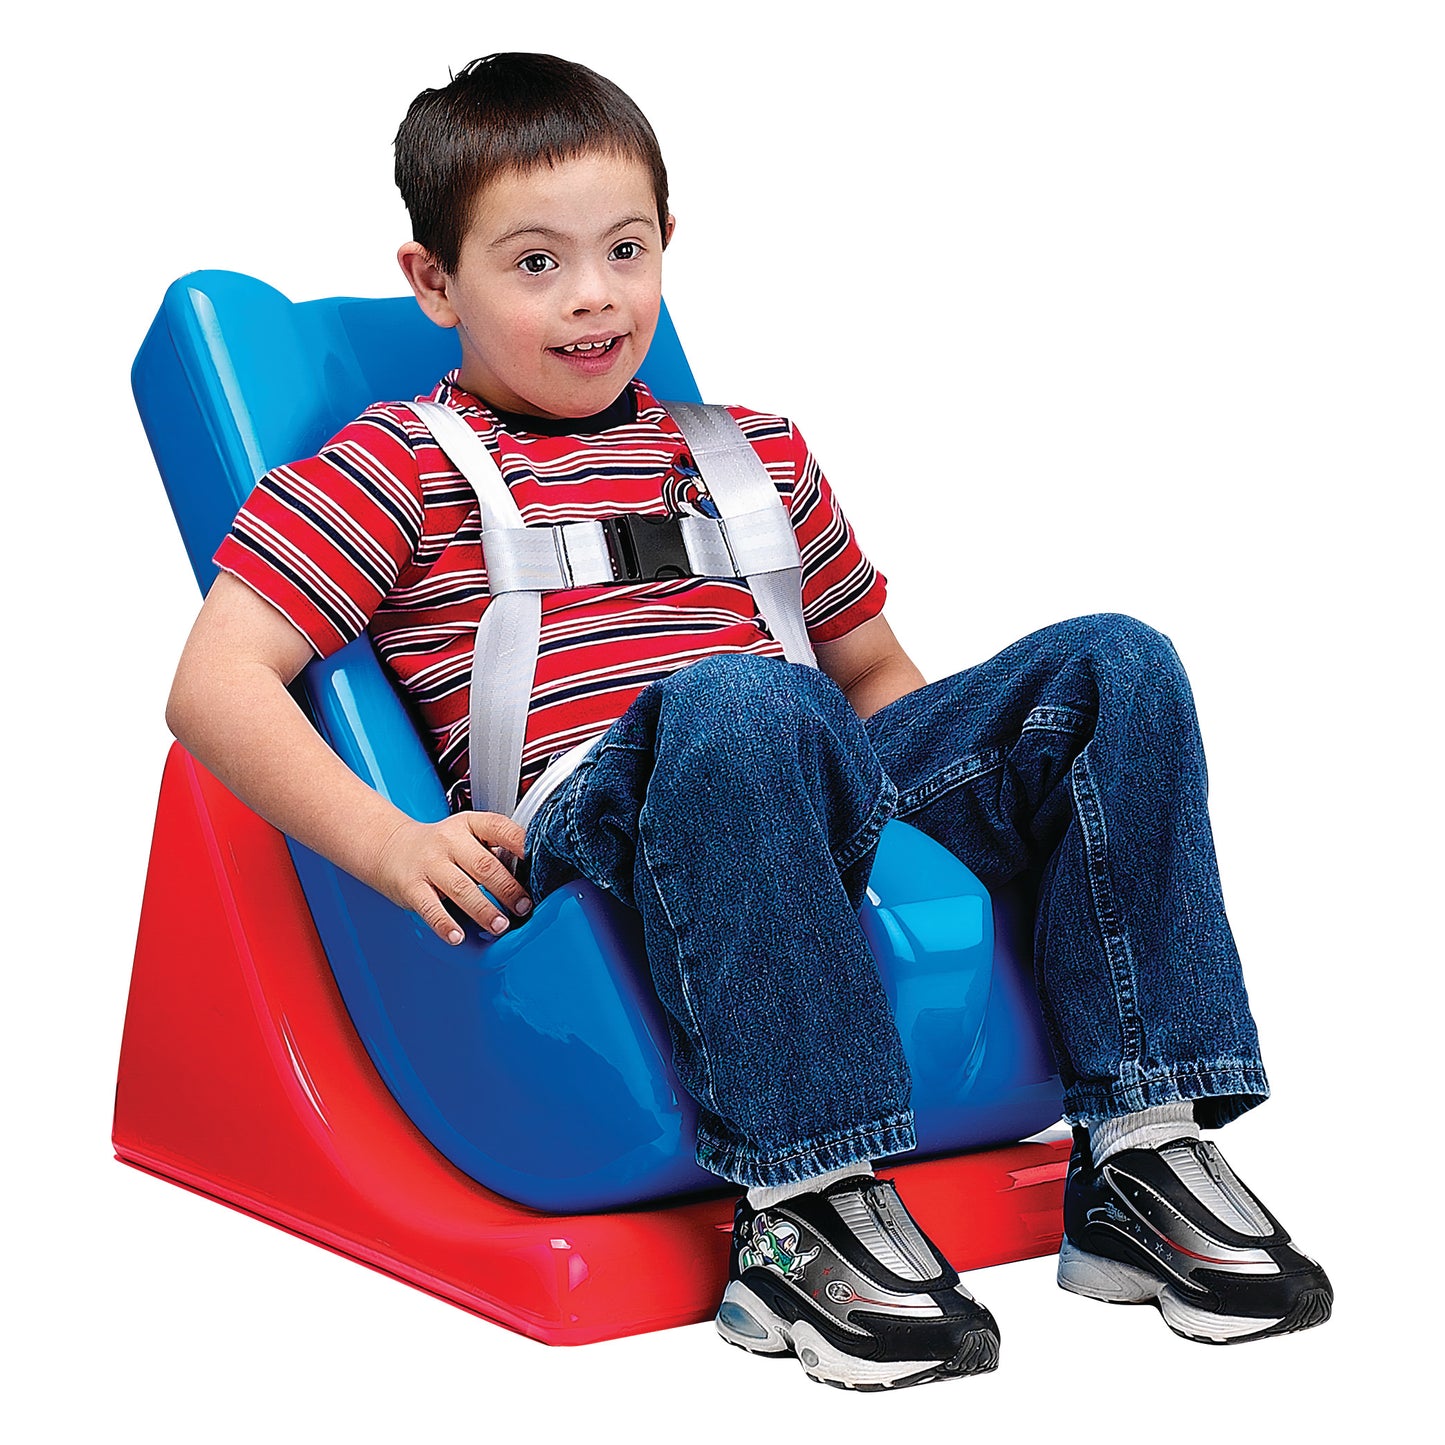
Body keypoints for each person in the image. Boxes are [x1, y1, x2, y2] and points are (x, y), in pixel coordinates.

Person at [165, 52, 1333, 1391]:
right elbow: (215, 683)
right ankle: (802, 1208)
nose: (593, 294)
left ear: (668, 245)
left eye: (623, 248)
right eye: (532, 263)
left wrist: (965, 825)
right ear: (434, 284)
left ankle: (1140, 1144)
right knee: (741, 695)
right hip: (593, 814)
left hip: (806, 771)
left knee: (1113, 664)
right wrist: (386, 844)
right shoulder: (394, 468)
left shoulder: (752, 453)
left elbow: (882, 679)